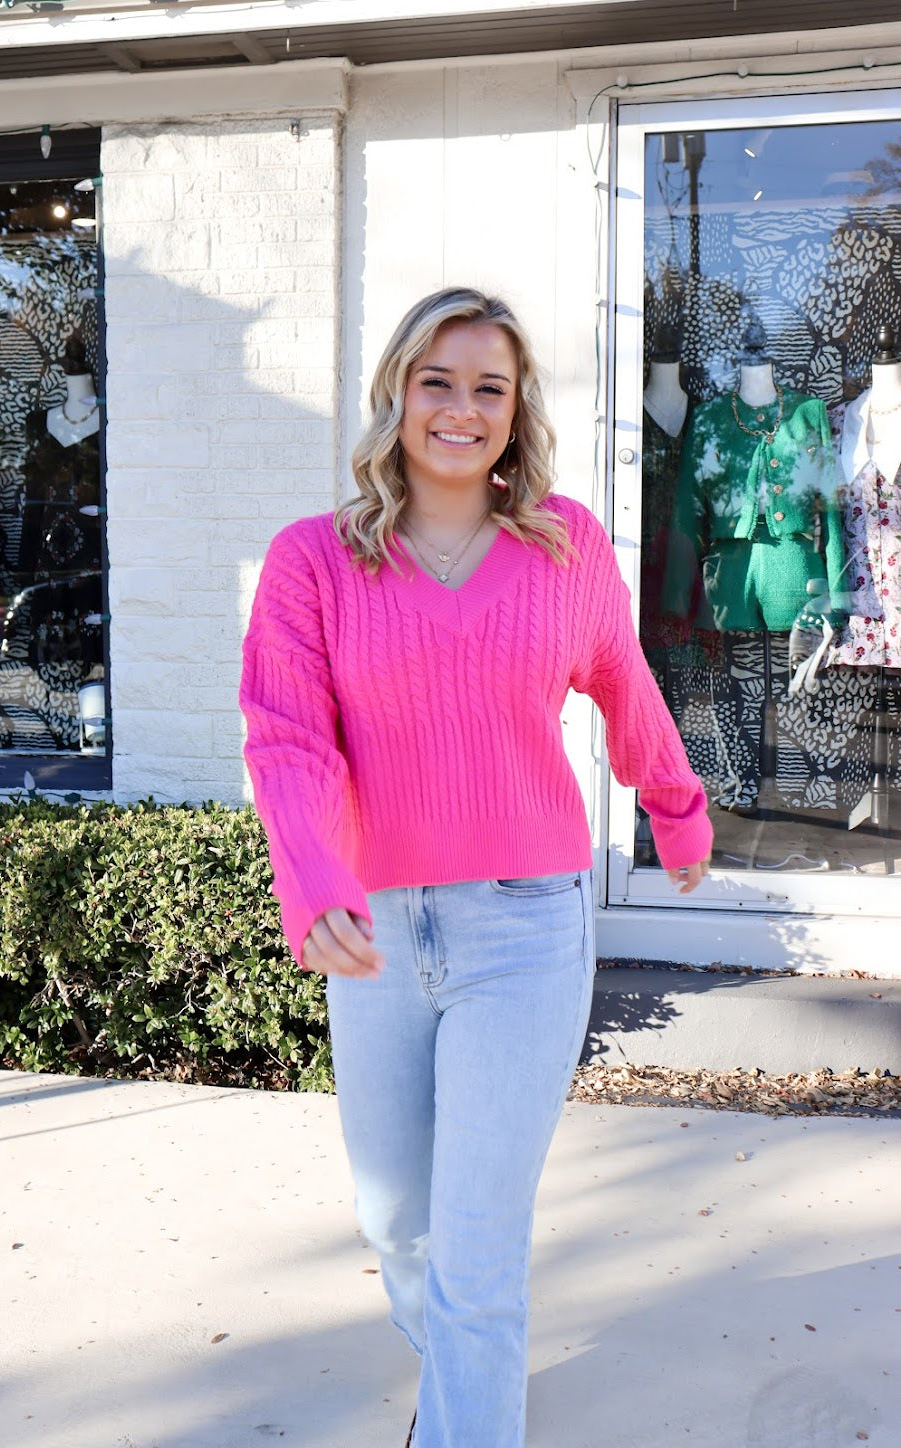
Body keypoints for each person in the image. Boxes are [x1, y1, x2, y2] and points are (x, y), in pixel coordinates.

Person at [239, 287, 713, 1448]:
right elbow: (286, 735)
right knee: (399, 1220)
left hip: (525, 930)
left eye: (487, 386)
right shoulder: (315, 559)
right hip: (380, 938)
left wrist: (677, 803)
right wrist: (312, 877)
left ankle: (460, 1412)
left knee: (480, 1241)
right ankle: (458, 1358)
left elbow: (624, 686)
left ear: (517, 408)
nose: (460, 408)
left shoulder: (567, 549)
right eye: (436, 381)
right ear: (397, 393)